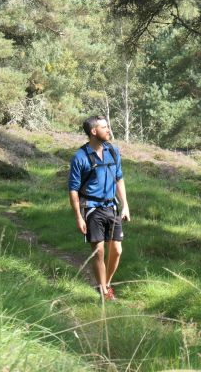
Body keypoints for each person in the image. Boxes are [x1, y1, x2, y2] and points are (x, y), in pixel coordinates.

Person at [68, 115, 130, 301]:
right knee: (99, 252)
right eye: (104, 127)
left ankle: (106, 283)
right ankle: (104, 292)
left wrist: (125, 205)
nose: (108, 130)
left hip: (111, 207)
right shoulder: (80, 157)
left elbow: (119, 178)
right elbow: (73, 190)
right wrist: (79, 217)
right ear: (94, 131)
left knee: (117, 250)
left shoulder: (113, 151)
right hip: (91, 208)